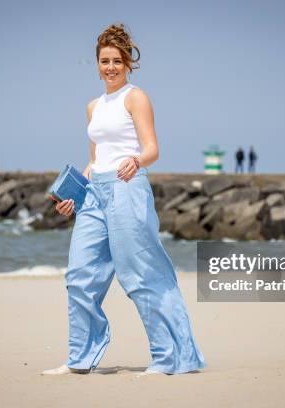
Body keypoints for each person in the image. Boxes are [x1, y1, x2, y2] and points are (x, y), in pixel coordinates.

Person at [42, 23, 206, 376]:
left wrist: (137, 161)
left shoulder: (136, 97)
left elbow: (152, 149)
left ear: (128, 63)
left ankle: (168, 358)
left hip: (126, 186)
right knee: (80, 276)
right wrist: (71, 195)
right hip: (94, 194)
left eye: (117, 60)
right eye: (105, 61)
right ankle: (79, 359)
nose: (111, 67)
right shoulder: (92, 107)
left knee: (141, 275)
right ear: (97, 64)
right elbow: (94, 157)